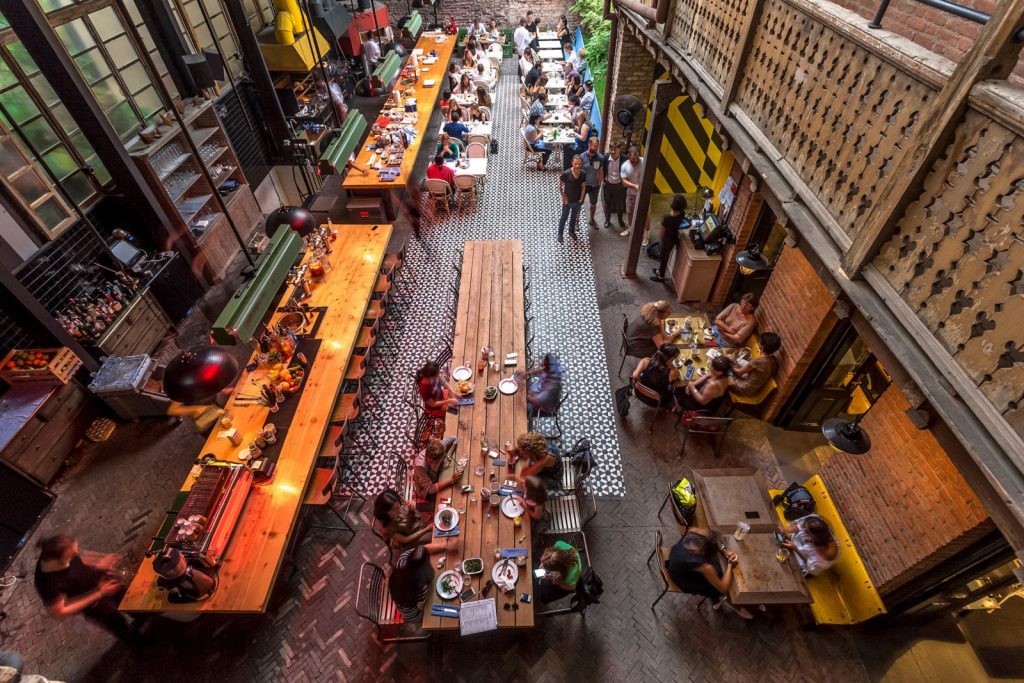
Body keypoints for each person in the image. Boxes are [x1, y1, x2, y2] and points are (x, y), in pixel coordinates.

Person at [33, 535, 136, 640]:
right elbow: (60, 612)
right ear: (56, 561)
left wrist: (98, 562)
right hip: (95, 606)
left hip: (106, 584)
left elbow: (81, 556)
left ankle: (143, 618)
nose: (76, 555)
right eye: (72, 555)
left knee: (131, 603)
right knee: (120, 626)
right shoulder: (47, 584)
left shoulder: (56, 551)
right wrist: (100, 592)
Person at [666, 528, 753, 619]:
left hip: (675, 562)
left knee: (717, 570)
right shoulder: (704, 565)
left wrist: (724, 550)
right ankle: (726, 600)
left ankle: (721, 598)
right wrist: (730, 565)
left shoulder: (693, 532)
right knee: (719, 582)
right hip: (682, 578)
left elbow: (712, 539)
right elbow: (723, 588)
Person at [373, 489, 442, 551]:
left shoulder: (396, 501)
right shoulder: (386, 529)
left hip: (419, 523)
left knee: (441, 523)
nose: (399, 510)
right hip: (412, 539)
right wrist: (426, 529)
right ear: (385, 512)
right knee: (438, 537)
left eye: (399, 506)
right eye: (395, 509)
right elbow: (405, 540)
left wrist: (411, 507)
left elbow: (407, 505)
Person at [413, 436, 465, 509]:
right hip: (425, 491)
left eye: (436, 462)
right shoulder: (420, 466)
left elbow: (455, 439)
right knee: (452, 499)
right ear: (426, 455)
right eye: (430, 462)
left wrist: (448, 456)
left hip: (437, 475)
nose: (433, 465)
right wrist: (451, 479)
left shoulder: (441, 445)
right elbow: (430, 489)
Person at [389, 546, 434, 622]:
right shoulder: (421, 587)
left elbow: (422, 549)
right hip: (414, 615)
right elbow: (421, 607)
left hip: (400, 603)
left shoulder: (402, 559)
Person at [650, 195, 689, 282]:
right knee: (665, 256)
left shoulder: (667, 218)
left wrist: (660, 240)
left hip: (666, 240)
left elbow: (662, 231)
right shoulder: (682, 214)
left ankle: (661, 277)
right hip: (674, 238)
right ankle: (659, 270)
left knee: (663, 258)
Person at [730, 332, 780, 396]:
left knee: (724, 367)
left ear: (762, 346)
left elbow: (739, 372)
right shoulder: (773, 361)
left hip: (742, 389)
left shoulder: (757, 361)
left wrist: (728, 366)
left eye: (760, 341)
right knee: (731, 357)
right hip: (754, 390)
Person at [558, 154, 586, 242]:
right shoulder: (566, 173)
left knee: (573, 217)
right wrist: (564, 197)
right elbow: (560, 186)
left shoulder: (583, 174)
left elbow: (583, 186)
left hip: (577, 200)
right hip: (568, 201)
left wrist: (581, 199)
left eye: (579, 164)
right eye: (575, 163)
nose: (577, 166)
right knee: (564, 217)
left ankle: (571, 231)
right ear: (572, 163)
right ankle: (560, 234)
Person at [579, 136, 605, 229]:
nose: (596, 148)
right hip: (584, 186)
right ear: (589, 144)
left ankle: (592, 220)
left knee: (593, 204)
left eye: (597, 146)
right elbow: (579, 171)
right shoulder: (582, 157)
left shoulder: (600, 157)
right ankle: (576, 221)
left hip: (594, 186)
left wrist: (599, 184)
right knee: (579, 203)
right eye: (594, 146)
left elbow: (601, 172)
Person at [620, 145, 645, 238]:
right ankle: (630, 229)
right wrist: (634, 186)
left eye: (636, 157)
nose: (634, 160)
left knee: (645, 214)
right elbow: (624, 182)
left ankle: (645, 235)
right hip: (631, 194)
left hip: (643, 193)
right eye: (632, 158)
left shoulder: (644, 162)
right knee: (630, 212)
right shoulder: (625, 166)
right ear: (628, 156)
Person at [602, 140, 627, 230]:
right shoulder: (605, 158)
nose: (612, 152)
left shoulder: (625, 159)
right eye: (611, 149)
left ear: (619, 149)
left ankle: (620, 220)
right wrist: (603, 181)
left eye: (614, 150)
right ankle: (607, 220)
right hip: (608, 184)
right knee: (607, 203)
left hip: (619, 186)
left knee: (620, 205)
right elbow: (602, 170)